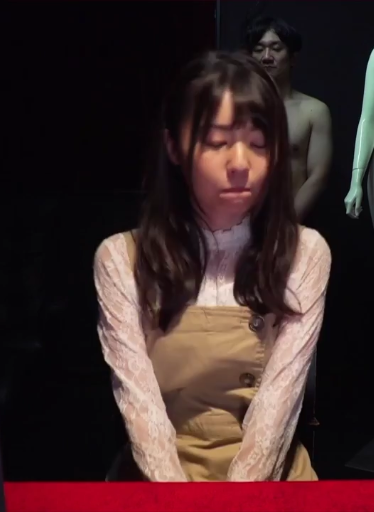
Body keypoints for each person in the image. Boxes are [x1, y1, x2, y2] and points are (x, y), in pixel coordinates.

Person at [93, 51, 331, 482]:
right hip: (160, 477)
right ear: (174, 147)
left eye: (258, 144)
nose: (240, 164)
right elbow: (139, 403)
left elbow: (279, 403)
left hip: (266, 478)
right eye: (218, 143)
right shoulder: (120, 258)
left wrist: (236, 501)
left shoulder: (305, 252)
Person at [243, 15, 332, 222]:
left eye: (276, 48)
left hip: (291, 221)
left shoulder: (314, 111)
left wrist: (286, 225)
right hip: (240, 223)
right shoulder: (237, 110)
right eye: (259, 49)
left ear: (292, 58)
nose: (267, 56)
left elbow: (318, 176)